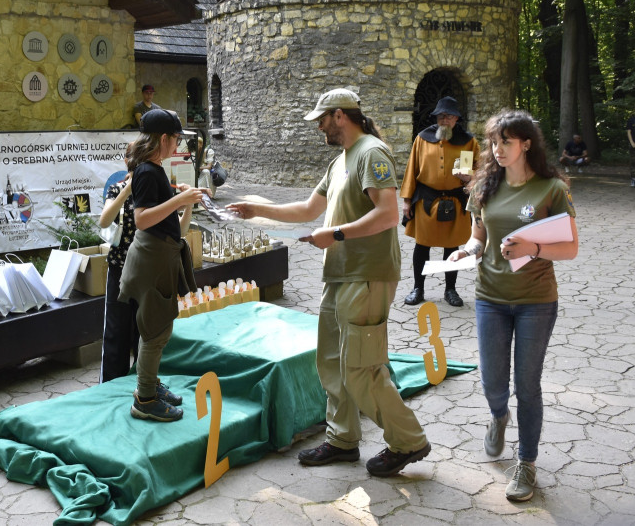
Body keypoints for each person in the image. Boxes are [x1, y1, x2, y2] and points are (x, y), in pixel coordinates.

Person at [227, 88, 430, 478]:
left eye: (322, 119)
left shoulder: (371, 153)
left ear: (340, 116)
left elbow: (389, 214)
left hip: (367, 274)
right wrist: (256, 209)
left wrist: (335, 235)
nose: (318, 127)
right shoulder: (340, 162)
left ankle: (408, 440)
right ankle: (341, 440)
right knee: (332, 362)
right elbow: (308, 209)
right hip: (339, 274)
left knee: (362, 368)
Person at [447, 109, 579, 502]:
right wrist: (463, 251)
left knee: (528, 385)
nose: (497, 149)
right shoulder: (484, 186)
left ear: (526, 144)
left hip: (536, 301)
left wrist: (533, 248)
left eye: (506, 141)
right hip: (489, 298)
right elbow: (478, 238)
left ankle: (527, 463)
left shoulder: (552, 189)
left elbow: (570, 247)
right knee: (491, 381)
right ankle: (498, 415)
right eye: (493, 142)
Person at [119, 109, 204, 421]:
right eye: (177, 140)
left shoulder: (155, 171)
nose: (178, 146)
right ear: (164, 138)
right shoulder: (145, 172)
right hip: (151, 260)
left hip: (161, 257)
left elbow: (176, 230)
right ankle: (145, 398)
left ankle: (150, 382)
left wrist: (187, 205)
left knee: (157, 329)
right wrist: (179, 200)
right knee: (155, 332)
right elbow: (142, 220)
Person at [399, 96, 479, 307]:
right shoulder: (422, 138)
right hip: (426, 200)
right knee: (422, 246)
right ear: (436, 117)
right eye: (441, 116)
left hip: (456, 200)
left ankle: (450, 290)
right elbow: (411, 170)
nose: (445, 120)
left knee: (452, 248)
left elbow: (476, 172)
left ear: (456, 119)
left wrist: (468, 177)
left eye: (449, 116)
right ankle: (418, 288)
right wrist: (407, 200)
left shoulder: (468, 141)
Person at [98, 148, 139, 383]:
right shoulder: (116, 189)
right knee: (116, 333)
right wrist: (126, 190)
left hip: (145, 272)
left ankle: (141, 387)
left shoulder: (151, 190)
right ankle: (111, 389)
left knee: (142, 334)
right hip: (119, 269)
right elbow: (104, 221)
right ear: (126, 161)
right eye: (133, 159)